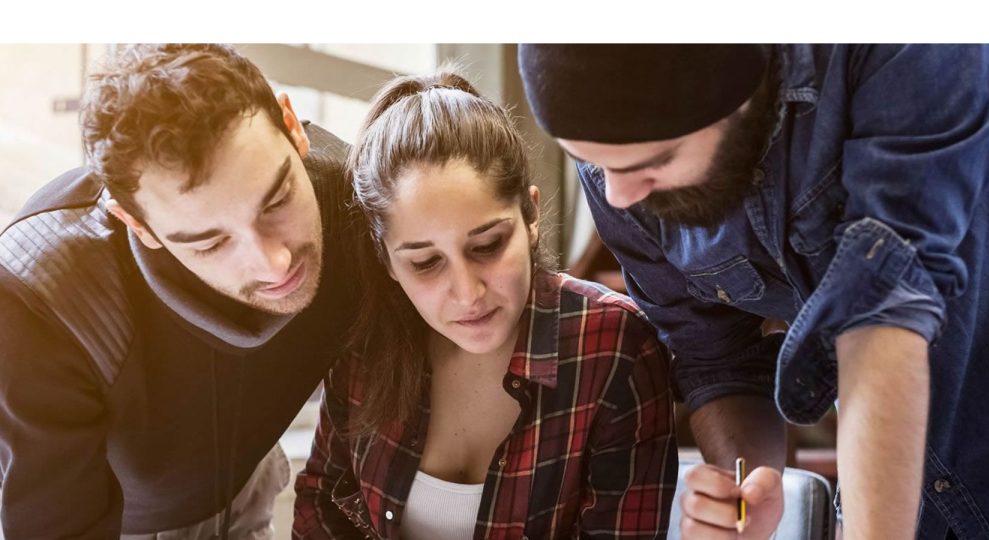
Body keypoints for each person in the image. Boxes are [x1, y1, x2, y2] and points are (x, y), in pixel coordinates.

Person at [517, 44, 989, 539]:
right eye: (594, 164)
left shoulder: (912, 43)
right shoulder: (619, 169)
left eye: (649, 164)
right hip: (897, 490)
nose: (618, 195)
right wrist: (750, 487)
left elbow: (881, 313)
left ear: (744, 100)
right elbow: (715, 359)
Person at [292, 69, 678, 539]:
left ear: (530, 215)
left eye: (487, 246)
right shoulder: (364, 344)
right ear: (387, 262)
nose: (468, 292)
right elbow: (321, 507)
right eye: (426, 262)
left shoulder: (617, 347)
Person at [0, 43, 357, 538]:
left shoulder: (358, 198)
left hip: (249, 481)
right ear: (137, 225)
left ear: (293, 127)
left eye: (276, 200)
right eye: (211, 242)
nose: (274, 263)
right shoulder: (40, 301)